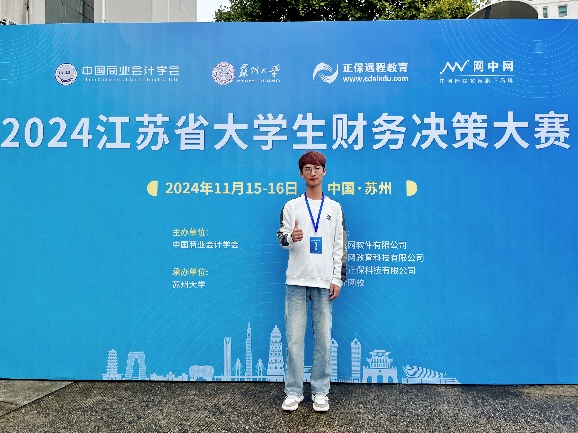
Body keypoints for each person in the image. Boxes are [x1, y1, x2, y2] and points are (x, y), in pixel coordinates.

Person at [276, 151, 346, 412]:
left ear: (324, 172)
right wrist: (291, 237)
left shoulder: (334, 208)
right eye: (307, 168)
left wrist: (337, 278)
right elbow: (281, 238)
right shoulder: (291, 206)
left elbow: (340, 245)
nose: (312, 173)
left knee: (323, 340)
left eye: (317, 168)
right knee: (294, 340)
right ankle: (293, 392)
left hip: (324, 281)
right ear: (301, 174)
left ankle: (320, 391)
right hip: (296, 279)